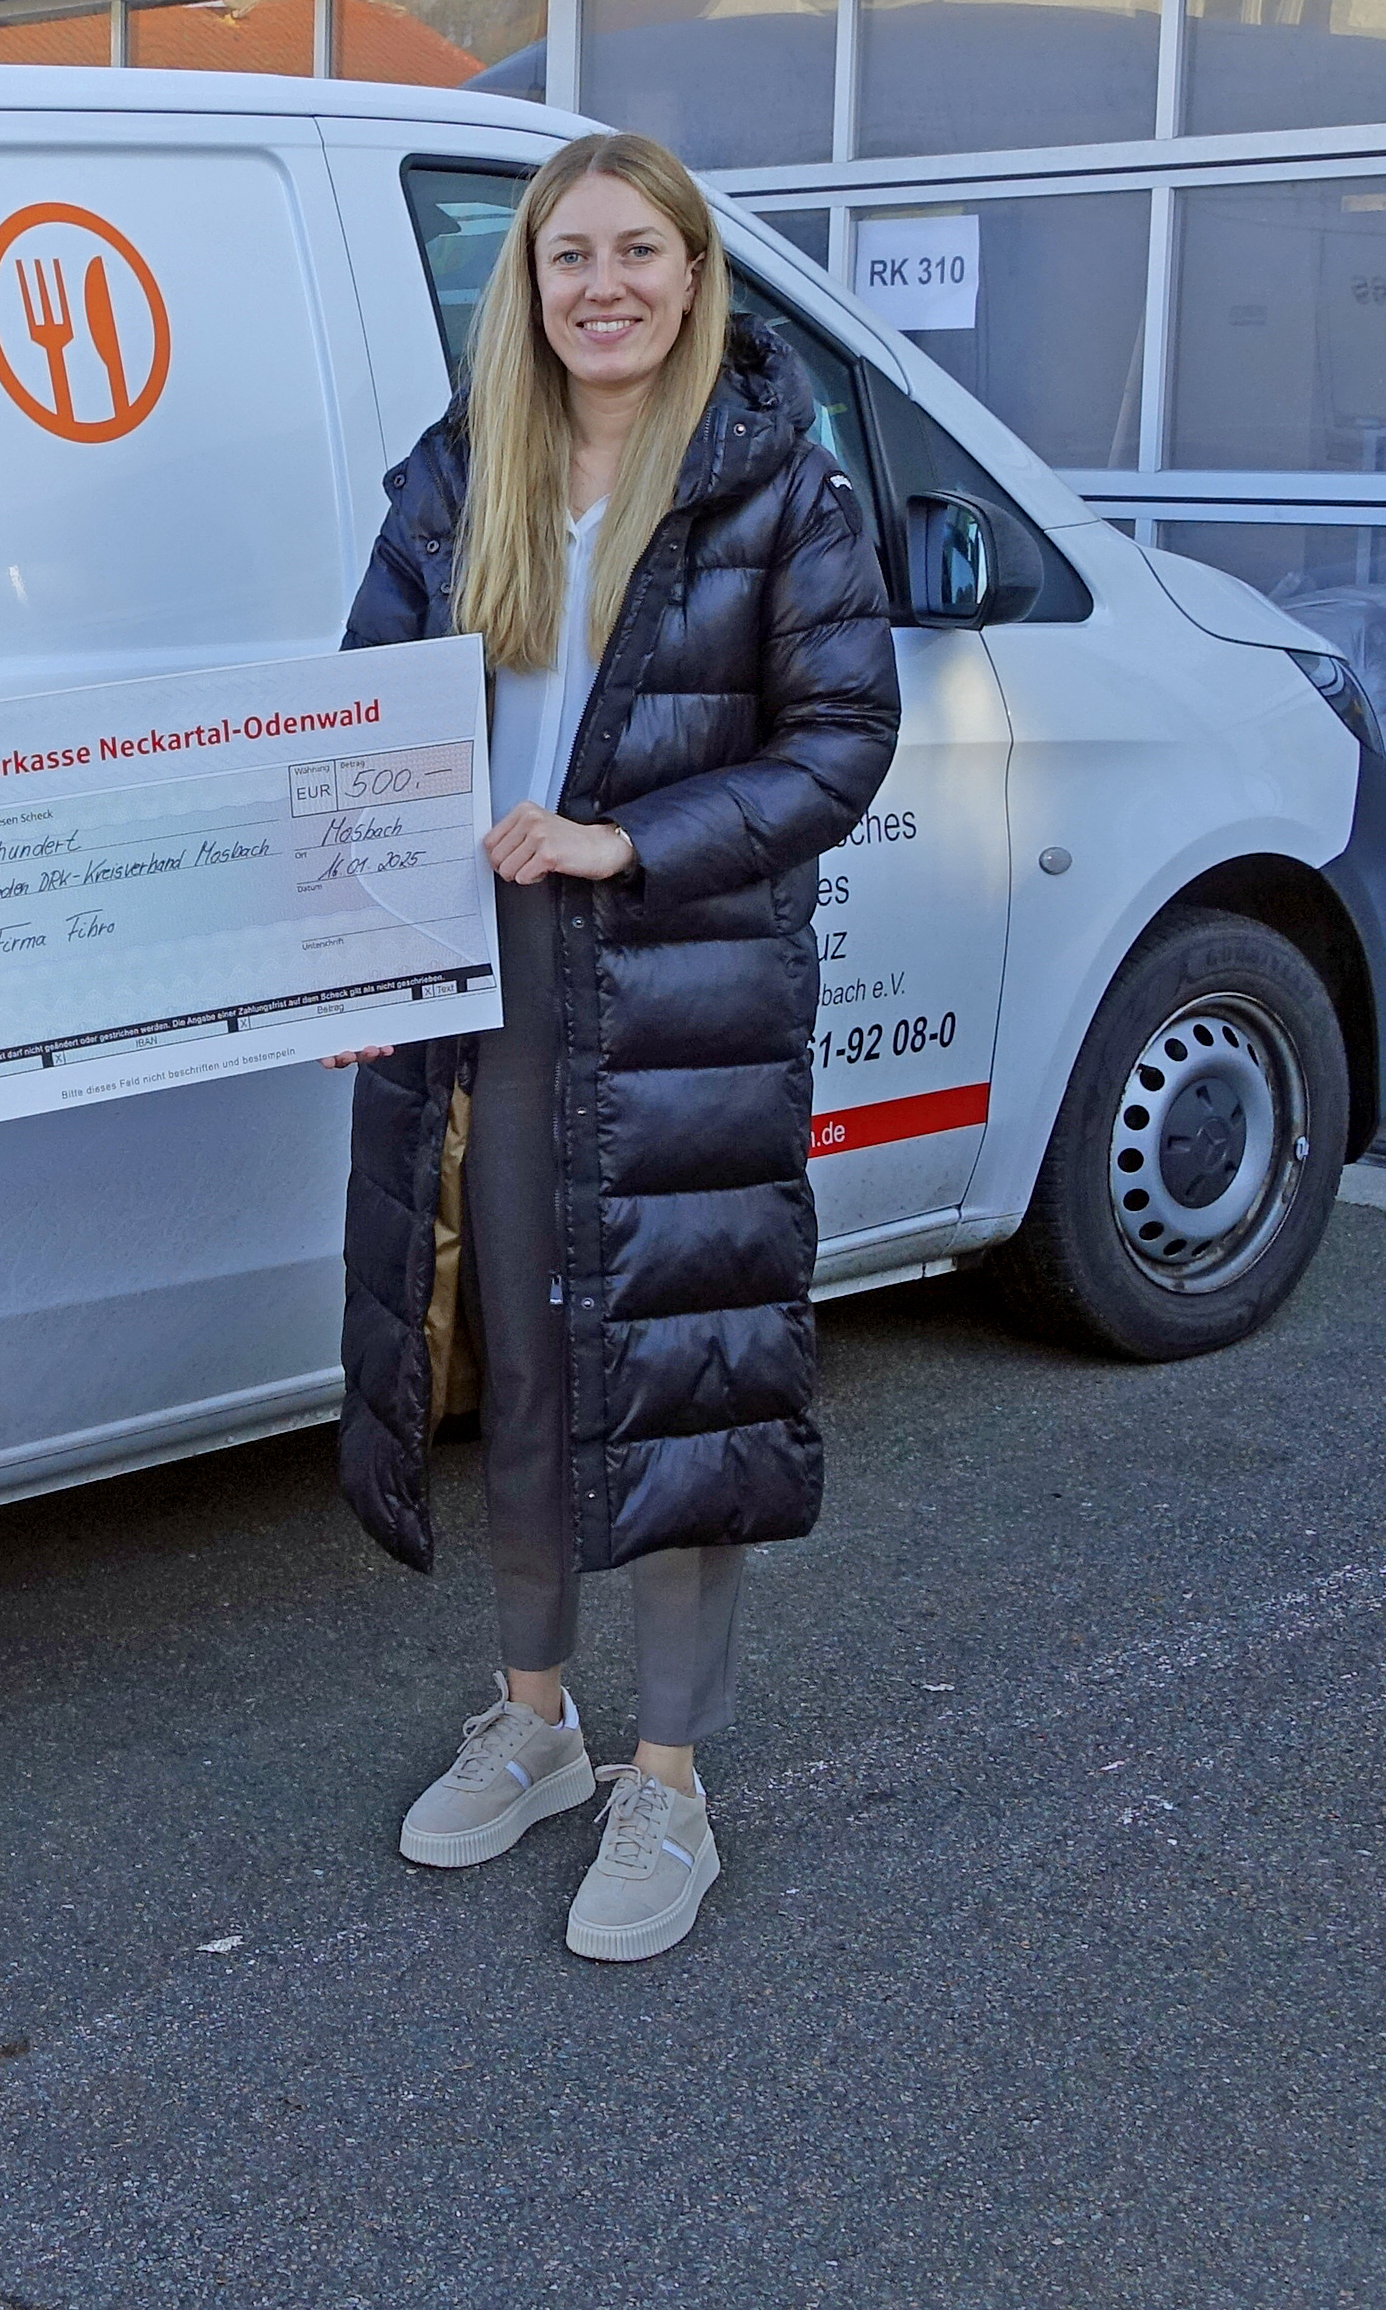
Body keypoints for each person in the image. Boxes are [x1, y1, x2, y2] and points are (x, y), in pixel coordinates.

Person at [322, 129, 896, 1963]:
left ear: (693, 268)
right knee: (514, 1364)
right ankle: (539, 1721)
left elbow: (839, 746)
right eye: (570, 256)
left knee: (689, 1374)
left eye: (638, 251)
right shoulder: (455, 477)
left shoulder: (775, 491)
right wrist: (348, 954)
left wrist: (627, 839)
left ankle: (669, 1781)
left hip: (675, 979)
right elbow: (362, 730)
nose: (605, 287)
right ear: (529, 286)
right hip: (472, 974)